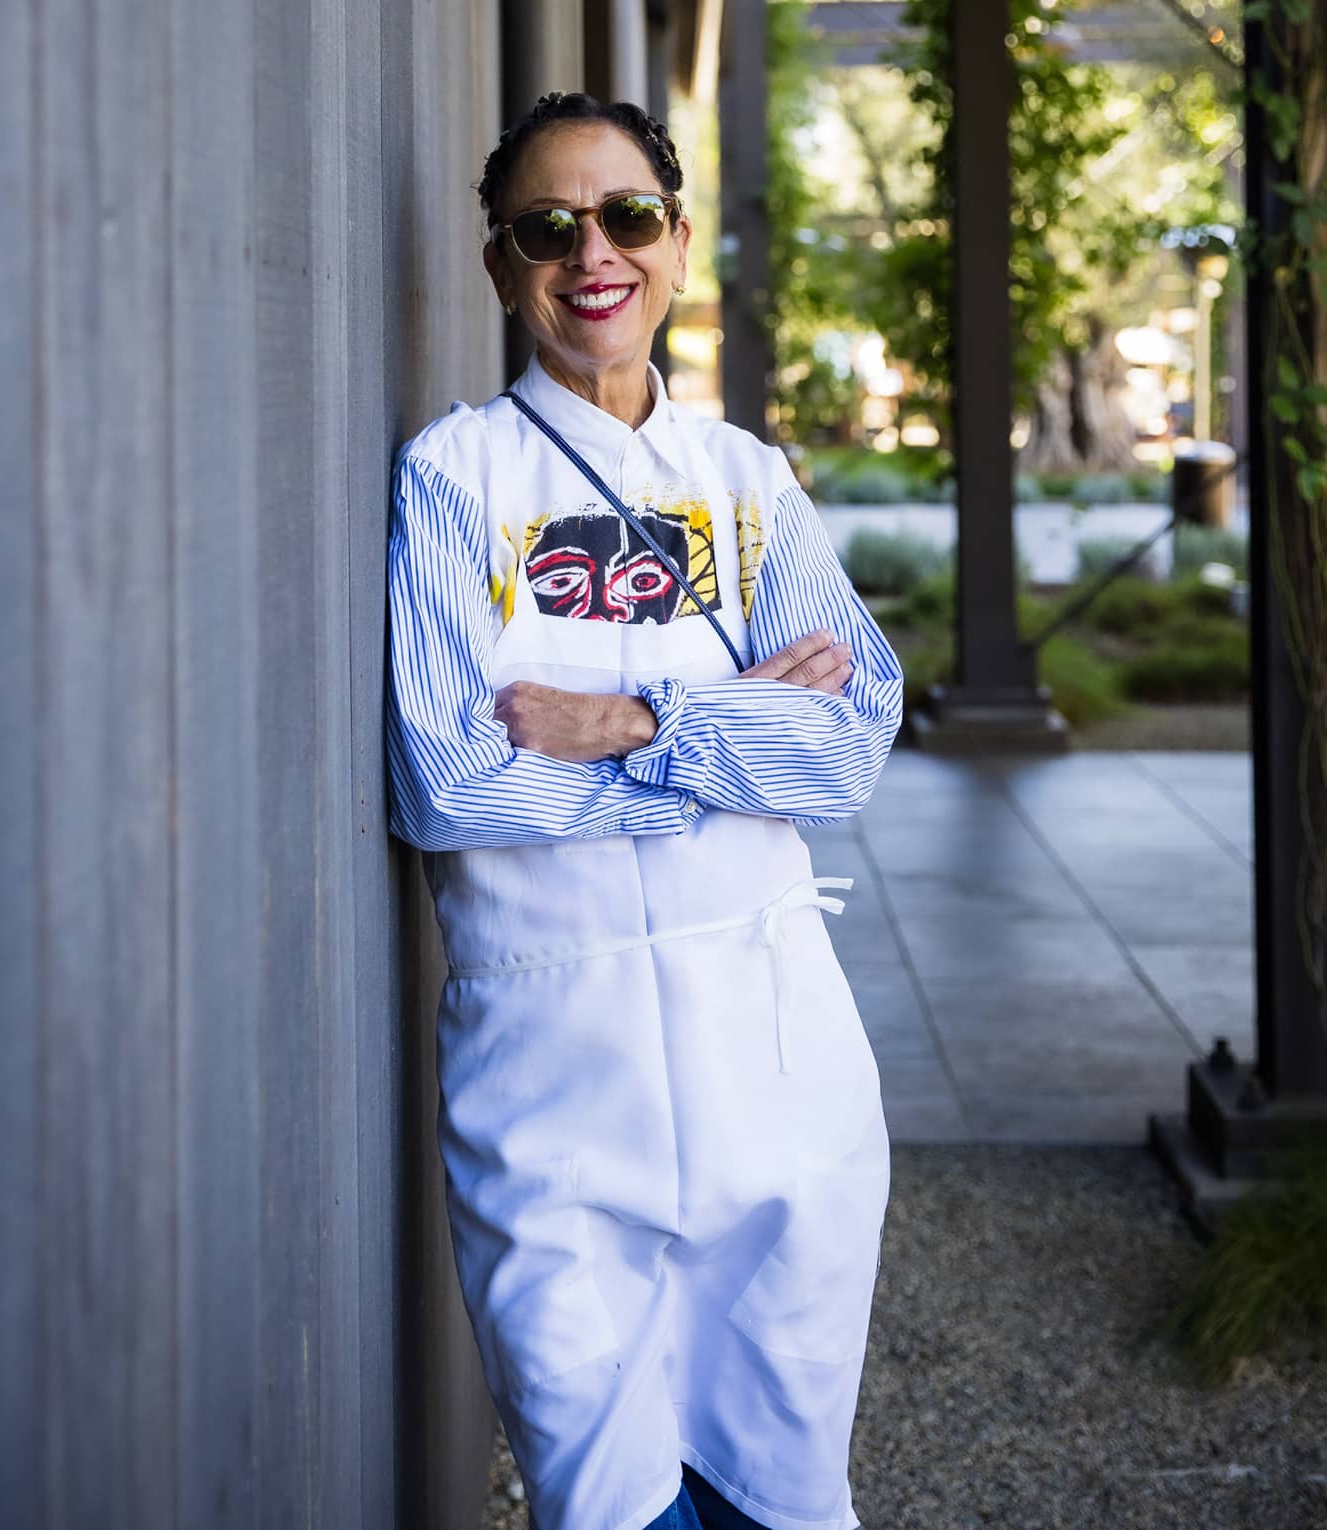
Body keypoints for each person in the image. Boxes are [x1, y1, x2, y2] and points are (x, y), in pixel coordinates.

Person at [386, 91, 905, 1530]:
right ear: (501, 266)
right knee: (601, 1493)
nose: (589, 253)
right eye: (545, 227)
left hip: (777, 1063)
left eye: (624, 216)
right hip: (553, 1070)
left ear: (676, 243)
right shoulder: (457, 477)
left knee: (780, 1490)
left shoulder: (746, 485)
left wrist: (633, 718)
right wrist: (743, 713)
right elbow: (455, 782)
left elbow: (850, 748)